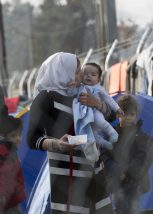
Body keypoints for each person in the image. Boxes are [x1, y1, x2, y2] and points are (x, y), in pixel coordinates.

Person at [27, 52, 115, 213]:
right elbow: (32, 139)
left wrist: (97, 104)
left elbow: (112, 117)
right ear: (62, 72)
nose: (81, 74)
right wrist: (56, 143)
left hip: (95, 169)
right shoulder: (45, 99)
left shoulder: (82, 93)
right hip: (68, 174)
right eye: (76, 71)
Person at [100, 94, 153, 214]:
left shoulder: (141, 136)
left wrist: (127, 173)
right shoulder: (111, 134)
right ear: (118, 114)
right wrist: (118, 171)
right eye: (124, 114)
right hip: (116, 181)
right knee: (120, 209)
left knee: (134, 209)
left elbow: (142, 157)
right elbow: (104, 156)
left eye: (132, 114)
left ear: (136, 115)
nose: (128, 118)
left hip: (135, 182)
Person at [73, 62, 123, 151]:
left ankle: (113, 133)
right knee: (92, 134)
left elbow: (108, 99)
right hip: (83, 114)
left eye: (93, 74)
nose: (88, 76)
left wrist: (117, 108)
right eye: (85, 74)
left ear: (99, 79)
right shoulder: (79, 87)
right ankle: (105, 144)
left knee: (101, 122)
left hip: (94, 111)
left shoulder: (98, 88)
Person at [0, 117, 26, 214]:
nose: (18, 139)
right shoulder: (2, 152)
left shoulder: (10, 151)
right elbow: (0, 173)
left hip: (11, 200)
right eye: (13, 136)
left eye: (20, 135)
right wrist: (1, 195)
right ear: (4, 137)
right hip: (7, 201)